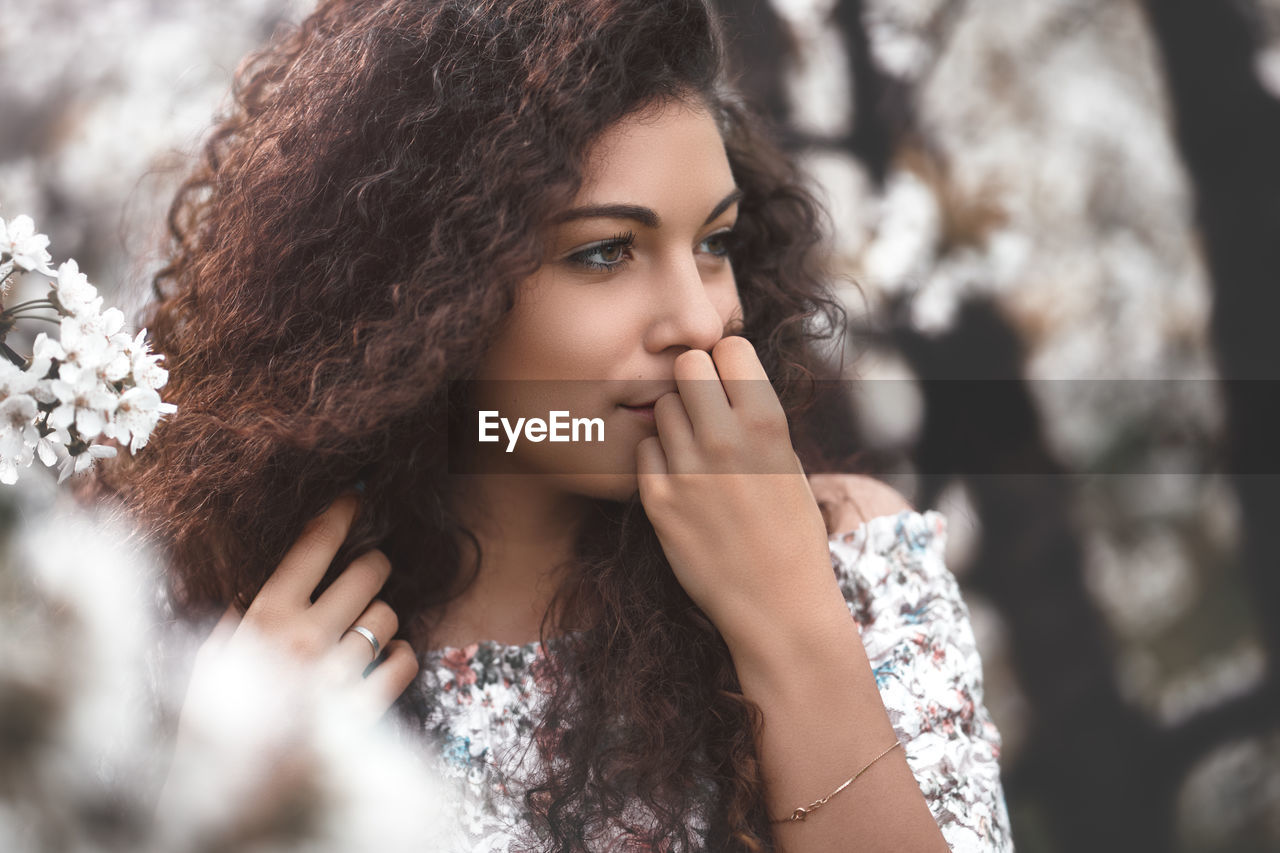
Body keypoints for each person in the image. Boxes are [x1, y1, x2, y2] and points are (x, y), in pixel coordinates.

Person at [95, 0, 1014, 850]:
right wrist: (218, 797)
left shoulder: (852, 554)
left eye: (716, 242)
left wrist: (786, 615)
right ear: (432, 292)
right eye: (605, 252)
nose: (700, 320)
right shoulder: (197, 639)